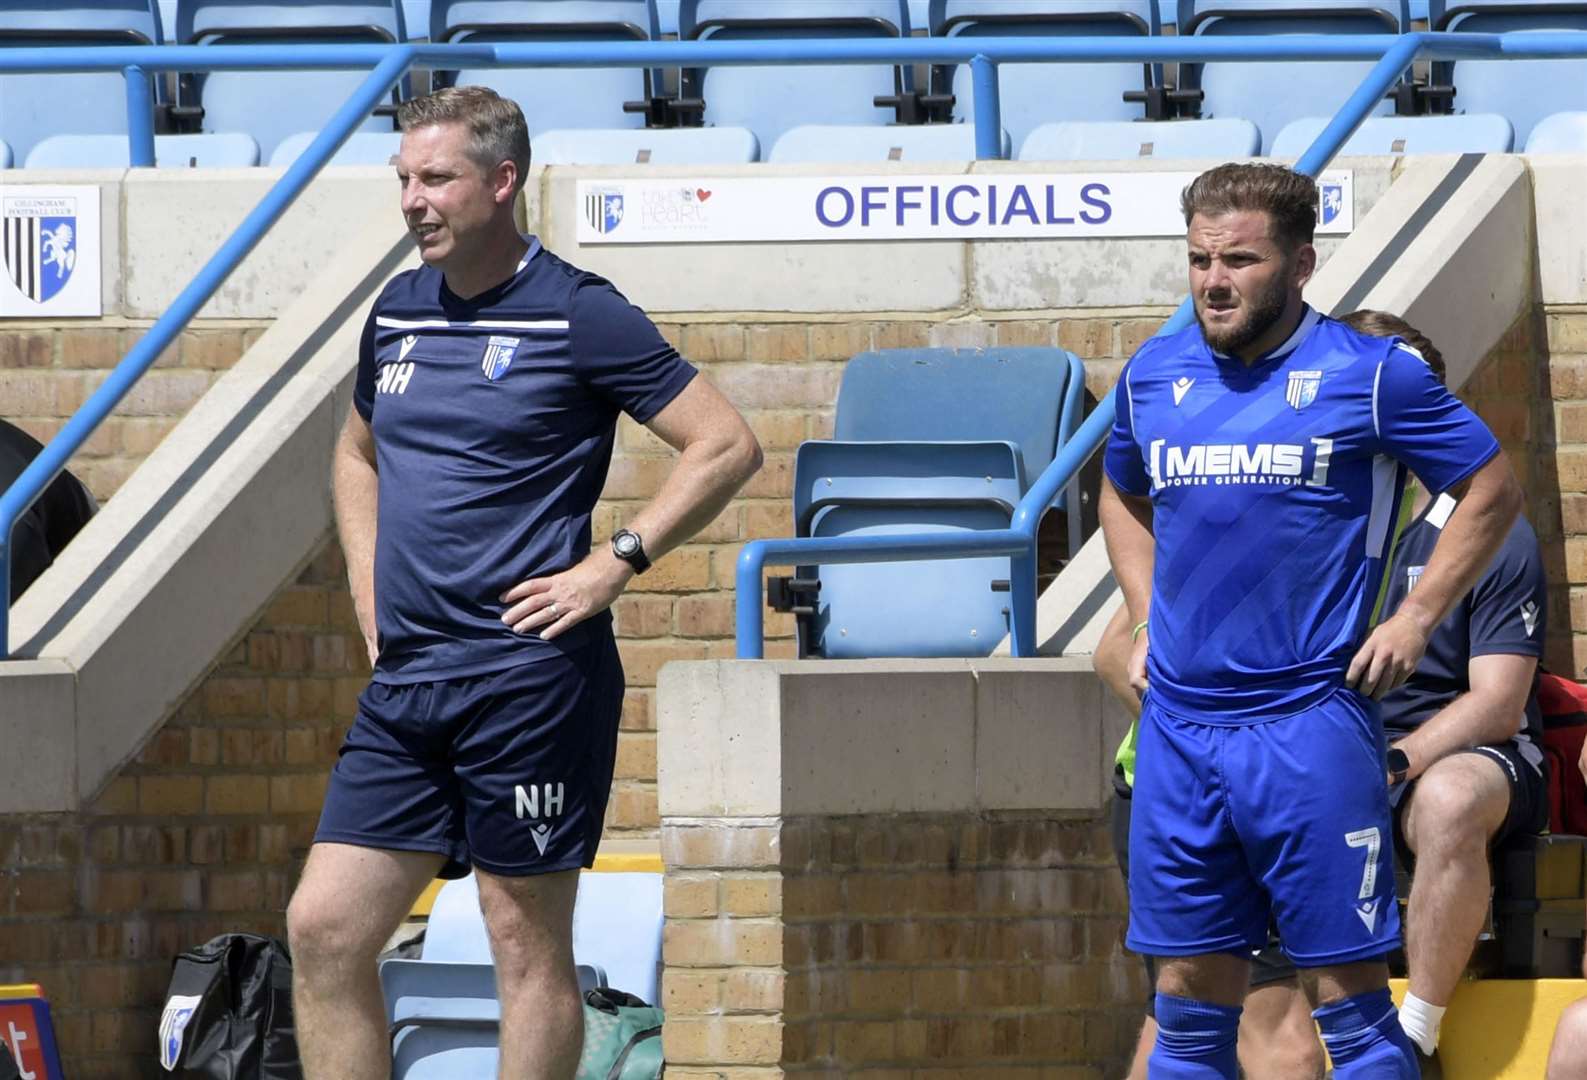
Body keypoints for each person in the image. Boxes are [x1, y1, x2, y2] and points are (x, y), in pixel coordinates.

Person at [284, 86, 762, 1080]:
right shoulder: (399, 310)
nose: (413, 200)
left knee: (521, 943)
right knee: (325, 929)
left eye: (437, 178)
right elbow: (355, 453)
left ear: (502, 182)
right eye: (404, 179)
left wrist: (611, 565)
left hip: (528, 681)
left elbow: (723, 444)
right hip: (409, 683)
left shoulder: (580, 313)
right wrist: (369, 590)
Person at [1099, 162, 1523, 1079]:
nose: (1213, 280)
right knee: (1186, 1006)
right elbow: (1121, 493)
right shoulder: (1151, 374)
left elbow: (1489, 483)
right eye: (1199, 259)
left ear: (1299, 264)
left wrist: (1415, 616)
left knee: (1352, 1009)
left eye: (1239, 260)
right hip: (1178, 727)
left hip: (1307, 725)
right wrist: (1140, 620)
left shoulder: (1370, 375)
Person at [1339, 309, 1549, 1074]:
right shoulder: (1317, 520)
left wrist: (1395, 761)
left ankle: (1415, 1036)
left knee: (1449, 795)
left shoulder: (1487, 526)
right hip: (1335, 745)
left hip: (1469, 753)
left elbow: (1496, 703)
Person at [1097, 605, 1325, 1080]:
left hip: (1242, 800)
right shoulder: (1211, 535)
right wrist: (1217, 752)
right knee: (1282, 1037)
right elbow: (1113, 652)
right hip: (1202, 807)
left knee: (1177, 1023)